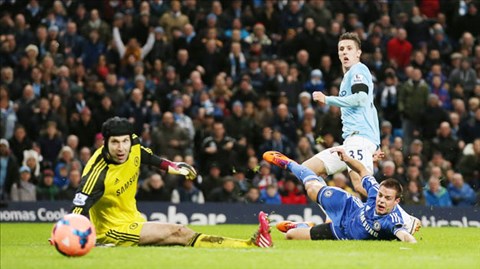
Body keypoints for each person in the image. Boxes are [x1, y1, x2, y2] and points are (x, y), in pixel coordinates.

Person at [67, 117, 271, 248]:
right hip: (112, 231)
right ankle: (248, 245)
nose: (121, 148)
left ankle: (249, 244)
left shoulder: (134, 145)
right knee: (178, 232)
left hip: (134, 218)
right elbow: (78, 209)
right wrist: (69, 235)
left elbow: (146, 156)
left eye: (124, 141)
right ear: (105, 142)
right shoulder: (97, 174)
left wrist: (171, 166)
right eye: (115, 142)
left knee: (179, 237)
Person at [297, 32, 420, 235]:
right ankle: (335, 216)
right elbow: (370, 109)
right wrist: (376, 144)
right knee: (308, 170)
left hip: (359, 138)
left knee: (360, 184)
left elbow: (361, 98)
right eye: (341, 49)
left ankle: (405, 219)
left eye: (349, 48)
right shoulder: (348, 76)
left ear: (358, 53)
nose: (345, 52)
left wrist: (328, 99)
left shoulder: (358, 69)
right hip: (354, 141)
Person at [263, 148, 417, 243]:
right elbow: (363, 170)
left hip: (341, 233)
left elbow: (404, 235)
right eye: (381, 196)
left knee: (290, 235)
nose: (381, 200)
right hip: (347, 207)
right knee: (311, 188)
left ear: (396, 201)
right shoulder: (374, 191)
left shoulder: (391, 221)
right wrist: (348, 159)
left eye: (387, 198)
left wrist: (413, 245)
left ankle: (302, 226)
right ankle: (288, 163)